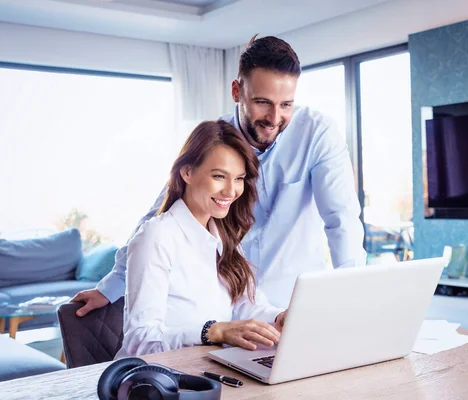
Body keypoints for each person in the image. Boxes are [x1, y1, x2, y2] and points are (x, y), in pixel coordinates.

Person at [72, 34, 366, 314]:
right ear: (237, 91)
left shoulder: (318, 134)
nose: (274, 119)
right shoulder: (216, 141)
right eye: (262, 102)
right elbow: (161, 213)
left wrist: (354, 297)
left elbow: (342, 221)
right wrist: (110, 287)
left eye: (286, 105)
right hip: (225, 307)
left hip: (292, 307)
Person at [115, 120, 287, 358]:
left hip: (208, 369)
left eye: (239, 179)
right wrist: (213, 332)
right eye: (219, 176)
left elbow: (245, 305)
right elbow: (140, 340)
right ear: (187, 172)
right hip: (155, 380)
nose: (231, 191)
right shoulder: (156, 237)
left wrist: (280, 318)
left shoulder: (225, 236)